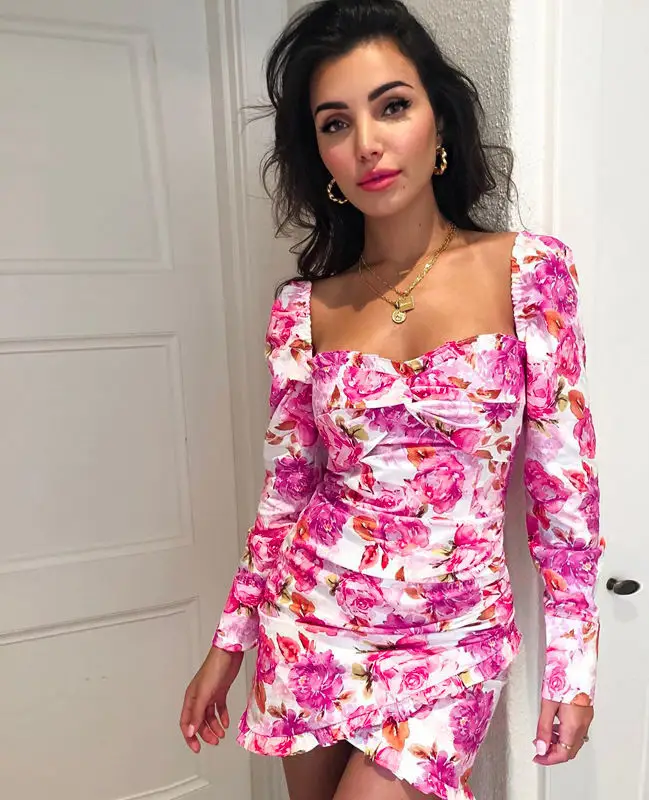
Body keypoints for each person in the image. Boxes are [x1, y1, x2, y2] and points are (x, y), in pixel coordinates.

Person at [179, 1, 604, 798]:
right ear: (320, 156)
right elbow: (286, 493)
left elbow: (565, 492)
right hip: (311, 626)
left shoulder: (529, 272)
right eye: (336, 124)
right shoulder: (303, 310)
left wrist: (572, 668)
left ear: (439, 120)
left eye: (392, 106)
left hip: (452, 646)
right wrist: (228, 644)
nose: (367, 143)